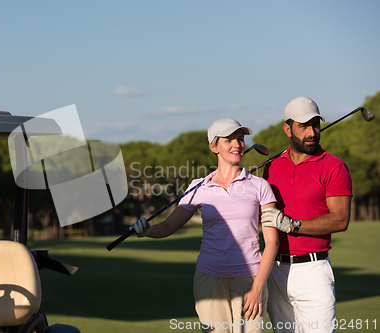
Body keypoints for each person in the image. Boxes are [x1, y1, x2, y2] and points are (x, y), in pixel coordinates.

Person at [132, 118, 279, 333]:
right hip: (209, 279)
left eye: (240, 139)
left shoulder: (260, 186)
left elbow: (272, 242)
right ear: (213, 147)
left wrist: (257, 288)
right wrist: (147, 231)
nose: (237, 144)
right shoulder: (198, 187)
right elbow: (168, 226)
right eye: (229, 139)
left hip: (250, 279)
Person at [261, 97, 353, 333]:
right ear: (287, 129)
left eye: (315, 125)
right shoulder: (270, 167)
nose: (312, 132)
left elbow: (340, 219)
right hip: (275, 271)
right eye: (304, 126)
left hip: (313, 272)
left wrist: (292, 225)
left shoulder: (333, 166)